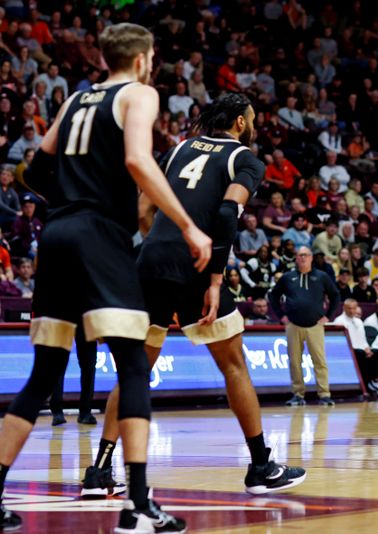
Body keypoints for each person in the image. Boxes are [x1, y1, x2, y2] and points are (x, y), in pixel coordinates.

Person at [0, 23, 213, 532]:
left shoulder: (74, 101)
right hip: (99, 236)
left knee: (43, 376)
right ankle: (138, 507)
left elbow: (34, 172)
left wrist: (73, 201)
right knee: (134, 367)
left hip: (56, 234)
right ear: (142, 59)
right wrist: (188, 226)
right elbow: (138, 160)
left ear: (103, 57)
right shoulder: (140, 93)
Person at [80, 93, 306, 501]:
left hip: (149, 261)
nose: (254, 125)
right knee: (234, 365)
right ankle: (260, 466)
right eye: (252, 119)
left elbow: (144, 206)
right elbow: (224, 214)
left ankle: (98, 471)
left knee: (135, 372)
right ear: (240, 122)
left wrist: (158, 246)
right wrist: (216, 280)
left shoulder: (179, 148)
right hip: (197, 263)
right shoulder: (245, 159)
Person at [269, 245, 340, 406]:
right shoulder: (287, 277)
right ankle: (298, 394)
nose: (302, 258)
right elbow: (273, 296)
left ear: (311, 258)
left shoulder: (321, 276)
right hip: (293, 325)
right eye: (300, 255)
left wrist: (328, 316)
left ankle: (324, 394)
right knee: (294, 361)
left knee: (319, 361)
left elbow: (335, 295)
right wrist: (281, 316)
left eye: (306, 255)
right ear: (296, 258)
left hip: (315, 326)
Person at [48, 326, 99, 426]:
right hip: (63, 316)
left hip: (85, 317)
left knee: (89, 365)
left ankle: (85, 412)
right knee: (58, 364)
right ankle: (57, 412)